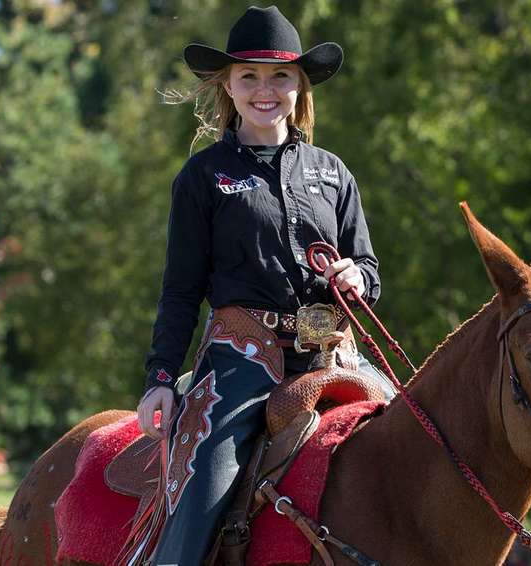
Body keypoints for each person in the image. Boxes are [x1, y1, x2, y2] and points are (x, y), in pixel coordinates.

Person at [134, 6, 380, 564]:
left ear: (300, 86)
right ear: (228, 85)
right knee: (205, 488)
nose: (264, 90)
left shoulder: (335, 173)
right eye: (249, 76)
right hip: (242, 360)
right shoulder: (202, 177)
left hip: (333, 352)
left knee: (426, 442)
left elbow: (369, 265)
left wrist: (357, 276)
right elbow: (180, 291)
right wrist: (161, 377)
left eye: (279, 77)